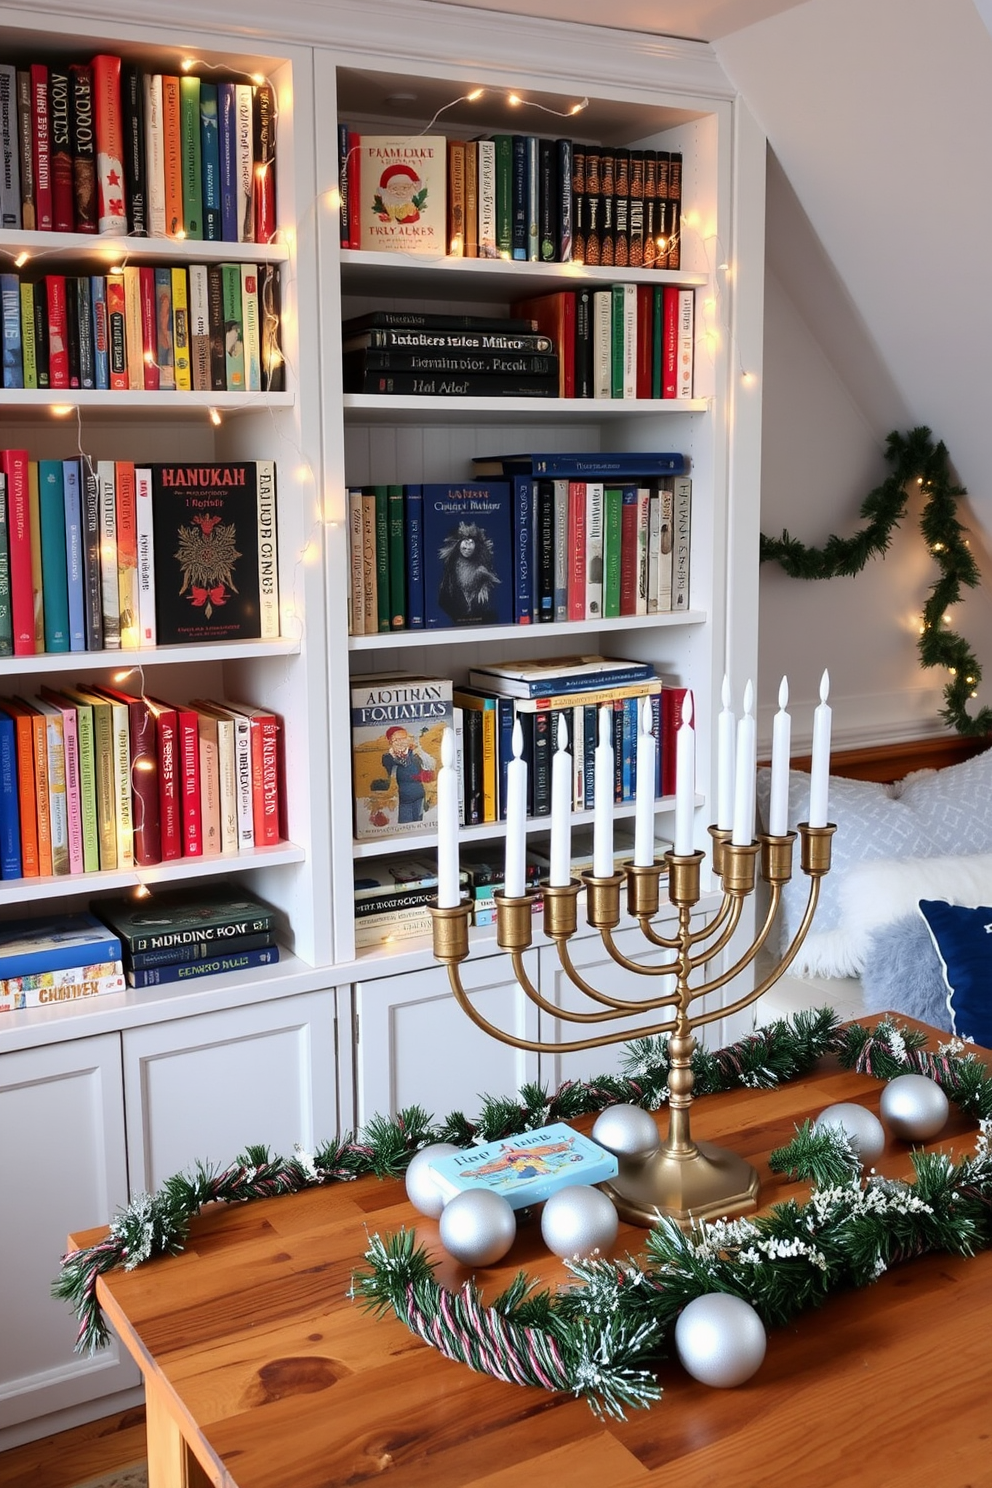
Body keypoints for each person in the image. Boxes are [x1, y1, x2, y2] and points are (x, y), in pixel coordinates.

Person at [437, 521, 500, 624]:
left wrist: (484, 588)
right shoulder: (451, 566)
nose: (467, 548)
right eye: (465, 544)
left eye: (471, 544)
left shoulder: (483, 568)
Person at [370, 725, 435, 824]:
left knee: (418, 823)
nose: (400, 742)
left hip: (419, 795)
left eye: (403, 739)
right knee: (404, 823)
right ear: (390, 742)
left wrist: (420, 751)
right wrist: (397, 755)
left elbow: (430, 765)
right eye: (396, 740)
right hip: (403, 798)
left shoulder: (416, 754)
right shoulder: (388, 757)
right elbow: (401, 764)